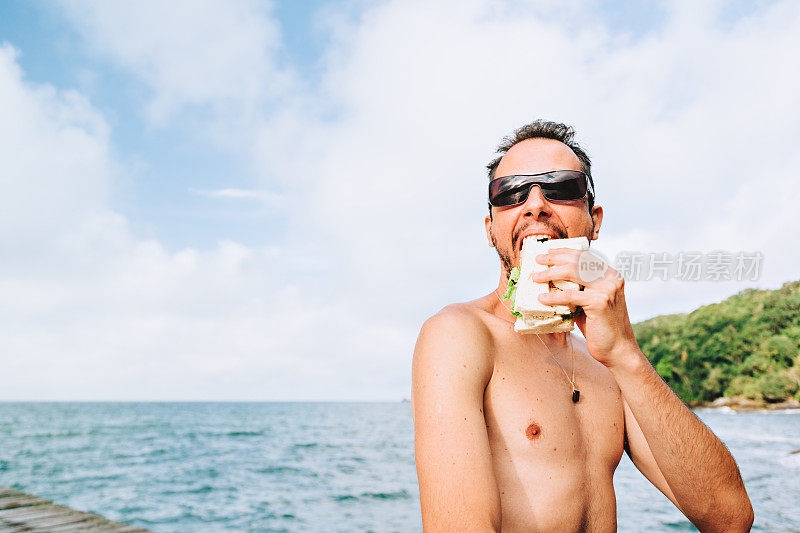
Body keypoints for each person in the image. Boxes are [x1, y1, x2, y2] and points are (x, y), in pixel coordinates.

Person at [411, 120, 754, 532]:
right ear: (490, 230)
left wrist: (625, 354)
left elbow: (729, 518)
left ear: (595, 219)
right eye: (511, 193)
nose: (535, 205)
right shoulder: (459, 335)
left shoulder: (606, 360)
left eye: (560, 188)